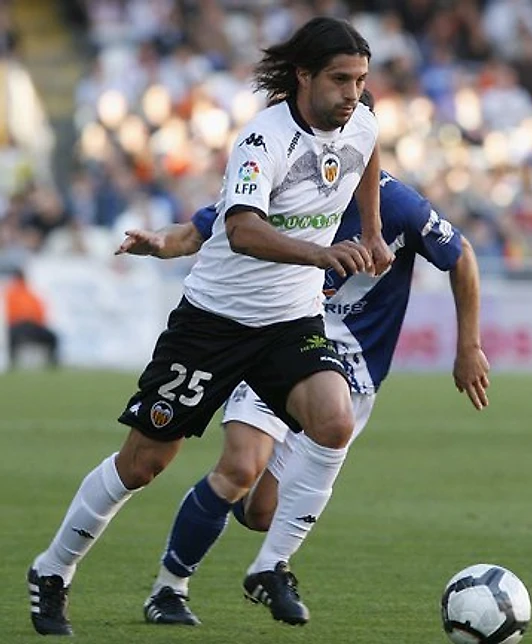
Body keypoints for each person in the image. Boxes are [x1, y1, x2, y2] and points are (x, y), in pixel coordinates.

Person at [27, 16, 393, 637]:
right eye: (340, 79)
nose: (353, 93)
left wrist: (375, 231)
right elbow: (243, 230)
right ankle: (53, 569)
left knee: (334, 421)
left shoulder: (361, 121)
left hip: (290, 320)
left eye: (360, 80)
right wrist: (323, 253)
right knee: (143, 463)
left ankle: (271, 565)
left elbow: (369, 154)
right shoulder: (263, 140)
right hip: (214, 322)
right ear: (304, 76)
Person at [117, 169, 490, 627]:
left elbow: (460, 254)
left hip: (351, 371)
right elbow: (199, 230)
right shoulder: (285, 178)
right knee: (239, 466)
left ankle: (237, 527)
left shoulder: (397, 205)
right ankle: (172, 588)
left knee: (261, 512)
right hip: (277, 342)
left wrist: (468, 346)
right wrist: (160, 241)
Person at [4, 268, 59, 368]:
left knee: (52, 337)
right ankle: (11, 362)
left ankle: (52, 362)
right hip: (18, 325)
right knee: (9, 337)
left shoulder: (29, 293)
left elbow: (41, 312)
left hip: (32, 325)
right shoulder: (11, 293)